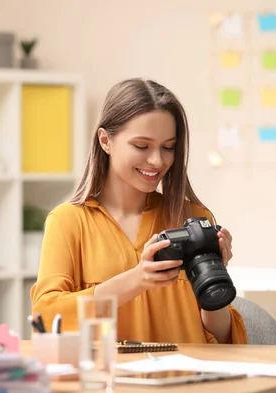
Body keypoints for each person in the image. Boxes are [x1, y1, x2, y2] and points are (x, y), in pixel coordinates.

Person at [30, 78, 247, 344]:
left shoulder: (193, 217)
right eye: (142, 146)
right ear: (105, 141)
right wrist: (137, 279)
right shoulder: (68, 222)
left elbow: (224, 340)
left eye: (168, 147)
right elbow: (47, 317)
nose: (157, 161)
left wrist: (214, 285)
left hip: (189, 379)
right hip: (108, 382)